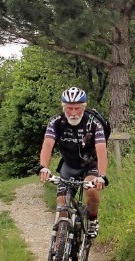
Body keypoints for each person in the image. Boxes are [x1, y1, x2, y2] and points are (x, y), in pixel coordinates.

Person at [38, 86, 108, 237]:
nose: (74, 113)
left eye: (77, 108)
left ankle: (93, 220)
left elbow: (102, 151)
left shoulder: (94, 123)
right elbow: (47, 144)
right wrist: (43, 167)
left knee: (92, 190)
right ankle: (58, 253)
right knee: (62, 205)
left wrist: (101, 176)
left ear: (84, 107)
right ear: (63, 107)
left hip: (89, 166)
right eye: (69, 108)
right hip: (69, 166)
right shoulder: (56, 122)